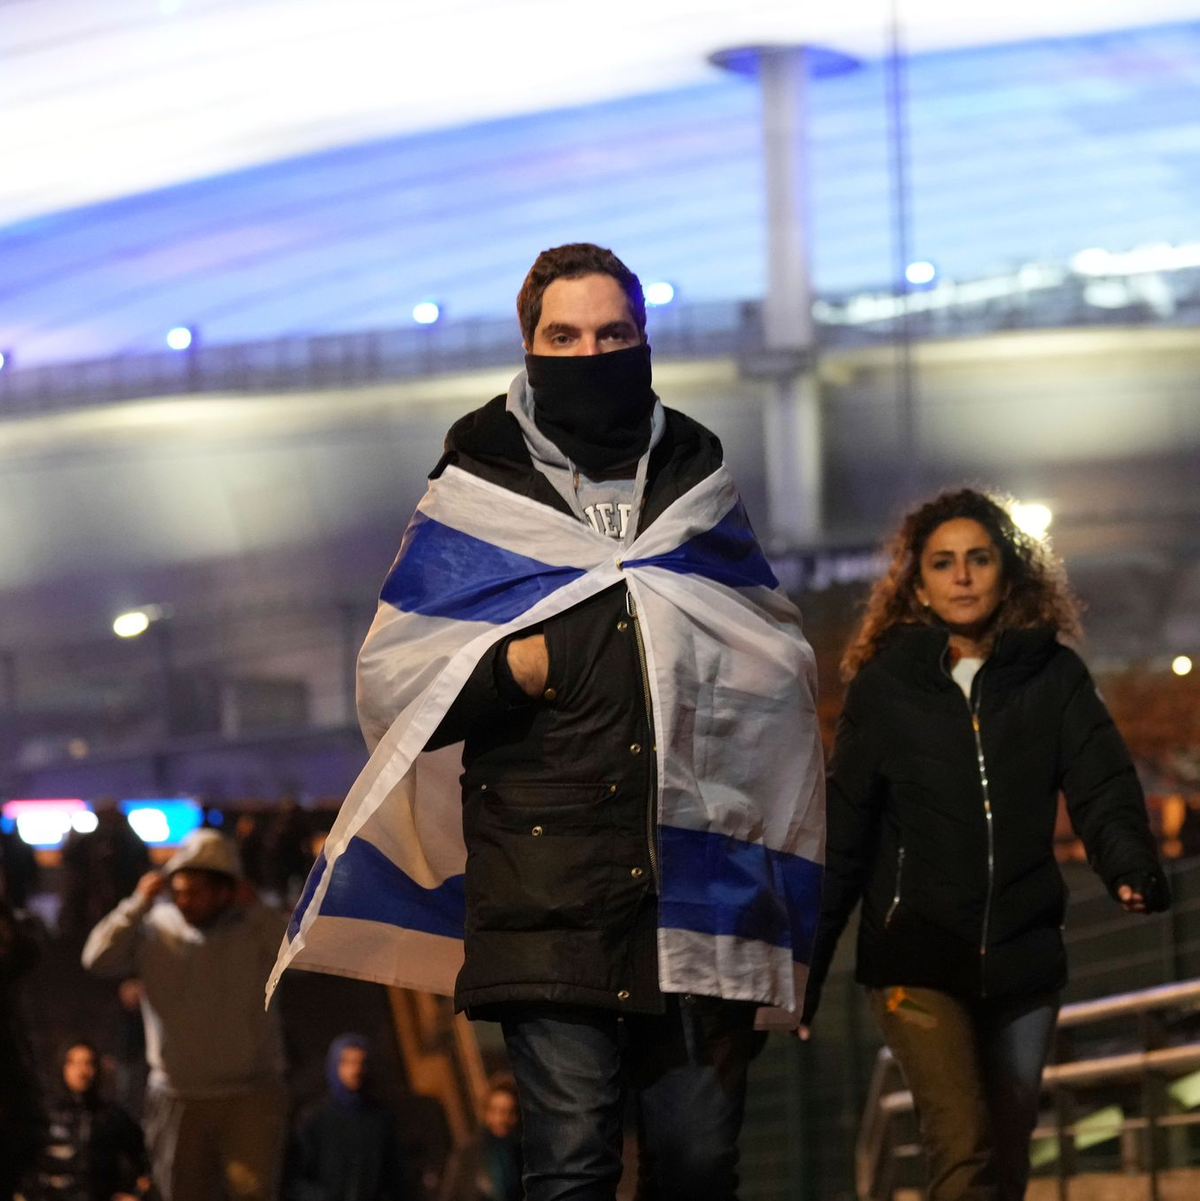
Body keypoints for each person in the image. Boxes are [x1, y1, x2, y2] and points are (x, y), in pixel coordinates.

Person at [276, 243, 825, 1201]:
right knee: (570, 1168)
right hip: (545, 888)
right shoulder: (477, 489)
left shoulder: (696, 478)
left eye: (613, 335)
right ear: (528, 345)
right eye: (564, 337)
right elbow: (396, 685)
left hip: (699, 884)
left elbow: (774, 657)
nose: (590, 354)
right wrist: (516, 667)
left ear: (644, 340)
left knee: (698, 1163)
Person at [801, 487, 1171, 1201]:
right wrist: (804, 976)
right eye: (942, 563)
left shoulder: (1054, 677)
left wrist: (1128, 865)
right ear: (917, 584)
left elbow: (1102, 785)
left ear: (1010, 572)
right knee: (962, 1145)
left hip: (1024, 960)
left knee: (1005, 1160)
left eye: (979, 558)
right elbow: (843, 834)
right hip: (916, 961)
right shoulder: (885, 689)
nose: (963, 576)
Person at [81, 829, 289, 1201]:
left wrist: (259, 910)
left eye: (195, 892)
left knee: (253, 1193)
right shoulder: (154, 928)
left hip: (250, 1094)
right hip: (177, 1095)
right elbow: (96, 958)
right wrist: (137, 903)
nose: (184, 901)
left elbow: (300, 961)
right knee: (179, 1191)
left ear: (225, 890)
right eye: (178, 892)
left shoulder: (254, 928)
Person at [286, 1033, 407, 1201]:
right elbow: (295, 1180)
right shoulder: (314, 1119)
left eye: (361, 1063)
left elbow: (397, 1176)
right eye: (347, 1062)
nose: (355, 1070)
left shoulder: (381, 1119)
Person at [23, 1040, 148, 1201]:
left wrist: (135, 1194)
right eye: (73, 1063)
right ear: (63, 1067)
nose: (81, 1071)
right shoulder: (45, 1115)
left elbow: (143, 1161)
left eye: (88, 1063)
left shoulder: (112, 1116)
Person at [438, 1077, 523, 1201]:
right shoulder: (469, 1152)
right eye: (494, 1111)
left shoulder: (524, 1153)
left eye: (509, 1112)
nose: (501, 1119)